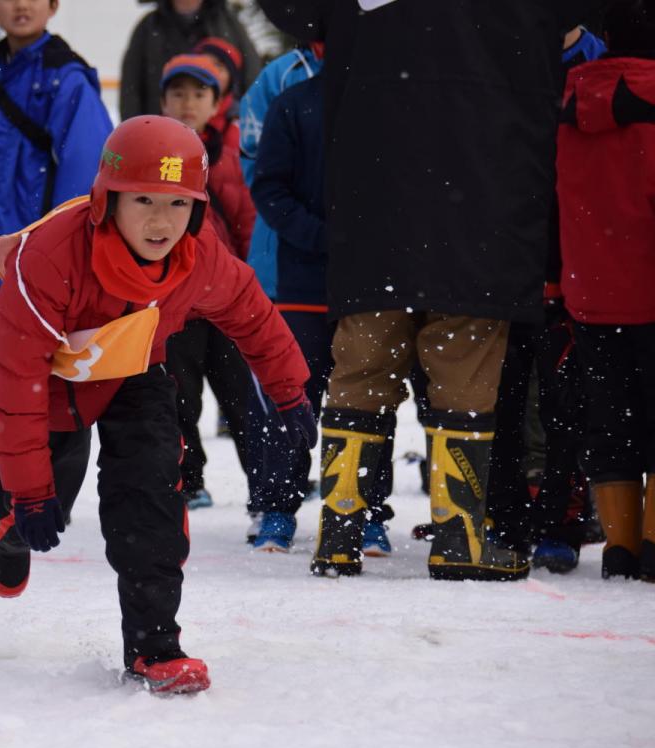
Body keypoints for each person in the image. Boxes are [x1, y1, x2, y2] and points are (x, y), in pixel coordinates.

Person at [259, 0, 604, 581]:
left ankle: (340, 535)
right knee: (464, 372)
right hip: (484, 202)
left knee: (362, 369)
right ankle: (460, 539)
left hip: (376, 203)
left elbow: (288, 7)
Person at [0, 116, 312, 694]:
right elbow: (16, 382)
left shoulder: (199, 257)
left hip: (136, 368)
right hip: (53, 377)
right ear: (108, 201)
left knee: (152, 491)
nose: (162, 221)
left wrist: (288, 390)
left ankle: (155, 646)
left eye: (179, 205)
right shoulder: (51, 259)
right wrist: (27, 489)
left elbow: (253, 315)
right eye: (144, 201)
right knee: (45, 490)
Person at [0, 0, 112, 527]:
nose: (21, 5)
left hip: (36, 252)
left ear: (54, 5)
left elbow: (86, 175)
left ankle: (30, 482)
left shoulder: (66, 80)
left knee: (40, 369)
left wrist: (61, 252)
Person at [485, 23, 609, 575]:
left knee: (568, 409)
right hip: (501, 271)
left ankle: (562, 522)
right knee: (501, 406)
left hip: (570, 271)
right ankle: (506, 521)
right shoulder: (498, 53)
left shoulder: (595, 68)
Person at [556, 0, 655, 581]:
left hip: (590, 293)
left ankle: (620, 550)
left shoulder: (570, 100)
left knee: (611, 423)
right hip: (648, 290)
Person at [158, 54, 258, 514]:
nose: (187, 103)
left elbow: (246, 222)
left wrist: (249, 287)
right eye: (177, 93)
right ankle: (188, 479)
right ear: (163, 100)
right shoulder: (152, 152)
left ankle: (268, 485)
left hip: (226, 302)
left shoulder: (231, 154)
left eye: (199, 94)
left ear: (217, 101)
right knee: (179, 398)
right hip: (174, 305)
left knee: (244, 400)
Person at [237, 41, 322, 299]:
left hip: (356, 268)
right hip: (278, 264)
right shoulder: (281, 74)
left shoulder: (376, 67)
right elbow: (256, 166)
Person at [120, 0, 258, 120]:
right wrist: (136, 129)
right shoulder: (149, 26)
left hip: (221, 132)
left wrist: (245, 119)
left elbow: (251, 76)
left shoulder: (229, 24)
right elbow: (131, 86)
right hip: (159, 133)